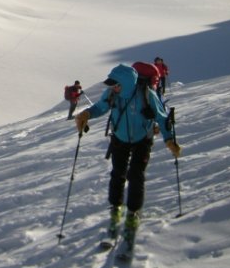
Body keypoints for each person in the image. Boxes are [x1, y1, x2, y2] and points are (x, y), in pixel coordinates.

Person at [74, 64, 181, 246]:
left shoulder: (147, 95)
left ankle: (132, 212)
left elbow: (162, 118)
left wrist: (169, 139)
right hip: (119, 138)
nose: (113, 87)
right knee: (118, 173)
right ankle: (115, 207)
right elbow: (100, 107)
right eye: (112, 84)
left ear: (126, 83)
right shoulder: (112, 94)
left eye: (116, 84)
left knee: (136, 175)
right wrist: (86, 114)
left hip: (142, 140)